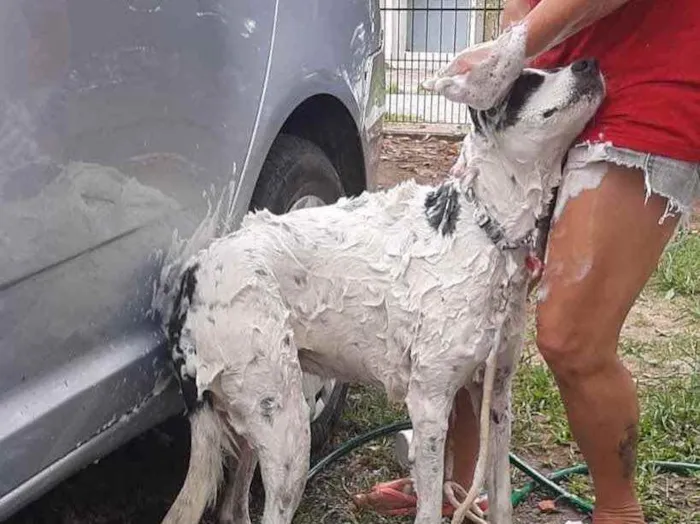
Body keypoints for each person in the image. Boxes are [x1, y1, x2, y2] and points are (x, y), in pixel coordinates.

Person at [353, 0, 700, 522]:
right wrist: (514, 41)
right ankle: (462, 484)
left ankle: (618, 510)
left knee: (571, 336)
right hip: (545, 82)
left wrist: (515, 45)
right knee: (465, 294)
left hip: (649, 72)